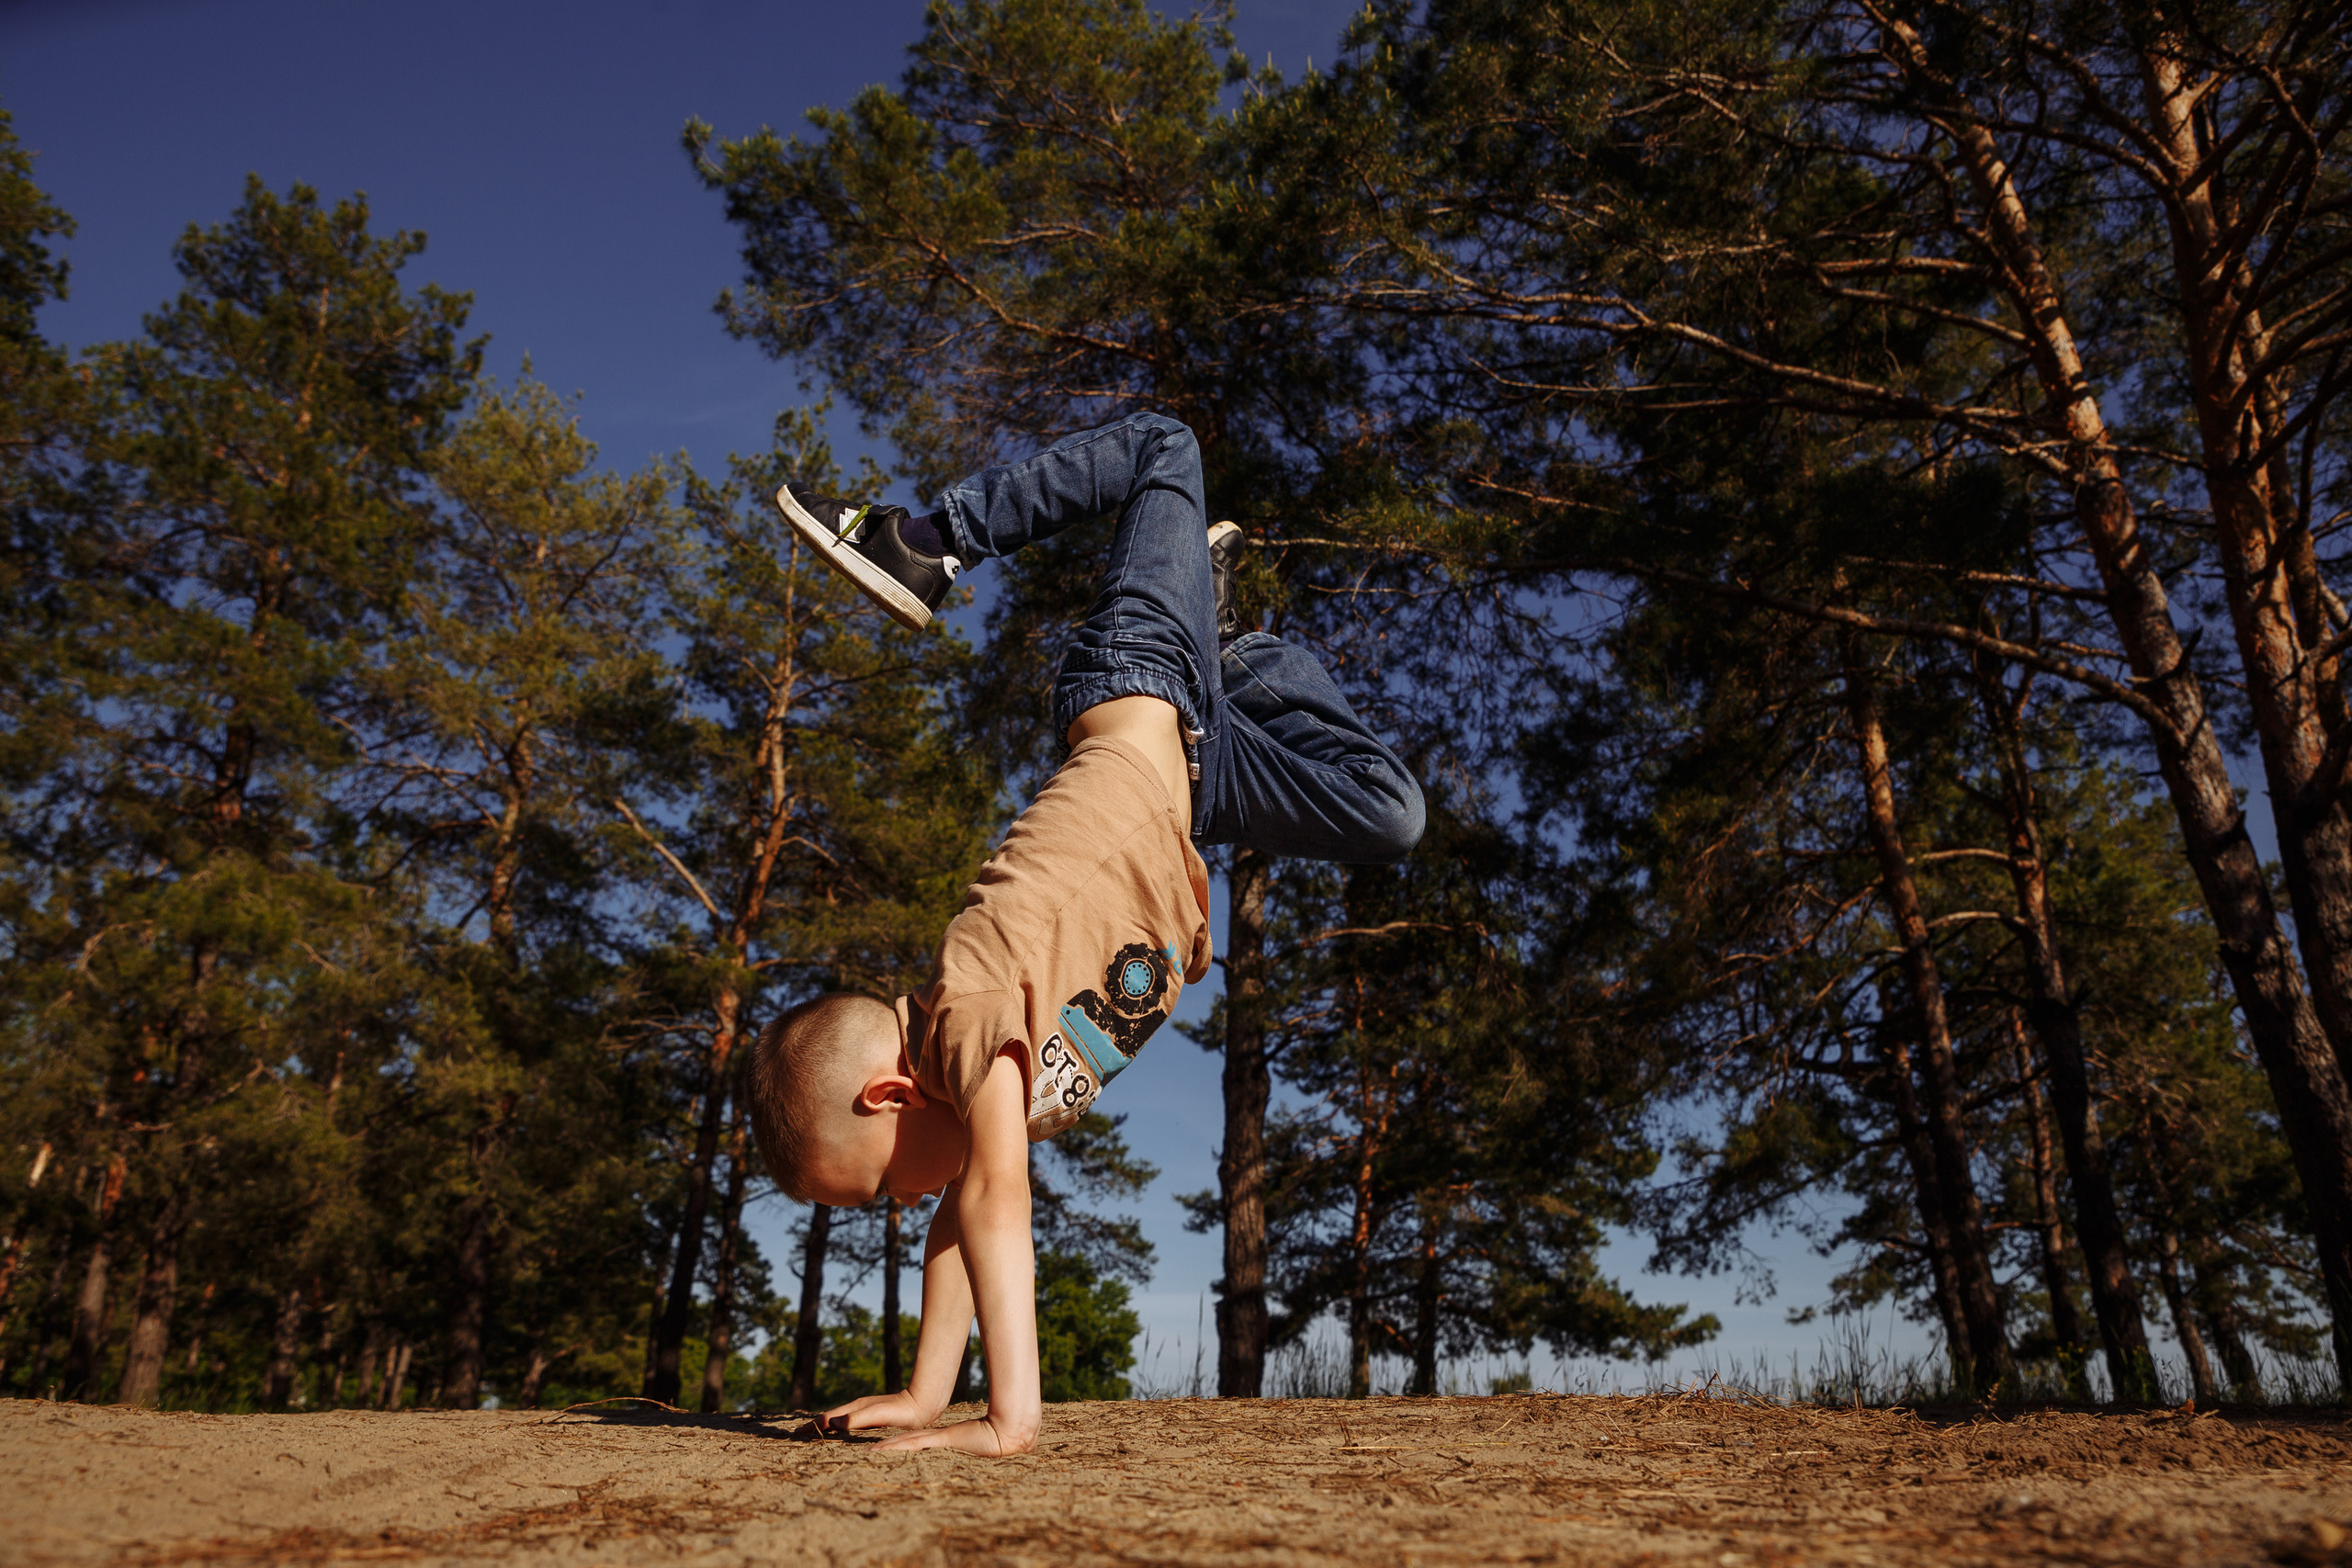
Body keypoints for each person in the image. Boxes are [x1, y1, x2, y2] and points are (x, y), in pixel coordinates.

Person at [743, 412, 1422, 1454]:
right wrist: (924, 1396)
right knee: (1388, 814)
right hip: (1199, 773)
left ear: (888, 1095)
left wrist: (1008, 1421)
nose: (901, 1204)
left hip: (1133, 684)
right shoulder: (966, 1098)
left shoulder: (966, 1016)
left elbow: (993, 1200)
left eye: (878, 1184)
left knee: (1166, 446)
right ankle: (1231, 652)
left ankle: (919, 540)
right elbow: (960, 1220)